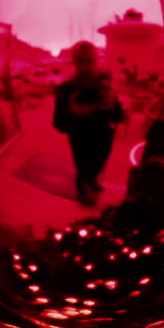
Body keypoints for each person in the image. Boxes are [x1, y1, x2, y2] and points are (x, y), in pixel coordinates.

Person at [53, 42, 123, 206]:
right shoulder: (66, 89)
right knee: (83, 170)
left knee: (98, 166)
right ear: (74, 62)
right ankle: (82, 192)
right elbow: (59, 124)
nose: (86, 67)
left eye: (90, 61)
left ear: (97, 60)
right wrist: (73, 113)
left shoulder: (104, 86)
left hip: (104, 139)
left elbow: (118, 117)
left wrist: (112, 105)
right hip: (80, 142)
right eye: (81, 61)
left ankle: (92, 181)